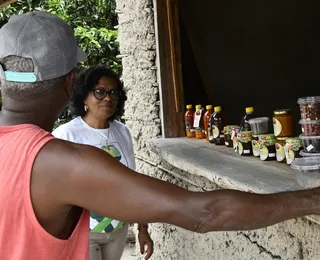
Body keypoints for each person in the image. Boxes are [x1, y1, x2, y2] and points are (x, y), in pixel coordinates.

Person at [1, 11, 320, 260]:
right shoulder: (59, 161)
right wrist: (311, 199)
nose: (107, 99)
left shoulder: (71, 148)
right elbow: (205, 214)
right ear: (73, 83)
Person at [52, 66, 154, 260]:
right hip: (83, 231)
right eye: (99, 92)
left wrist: (142, 227)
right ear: (83, 97)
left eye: (113, 93)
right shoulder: (66, 135)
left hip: (118, 229)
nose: (107, 98)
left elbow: (133, 183)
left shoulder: (122, 132)